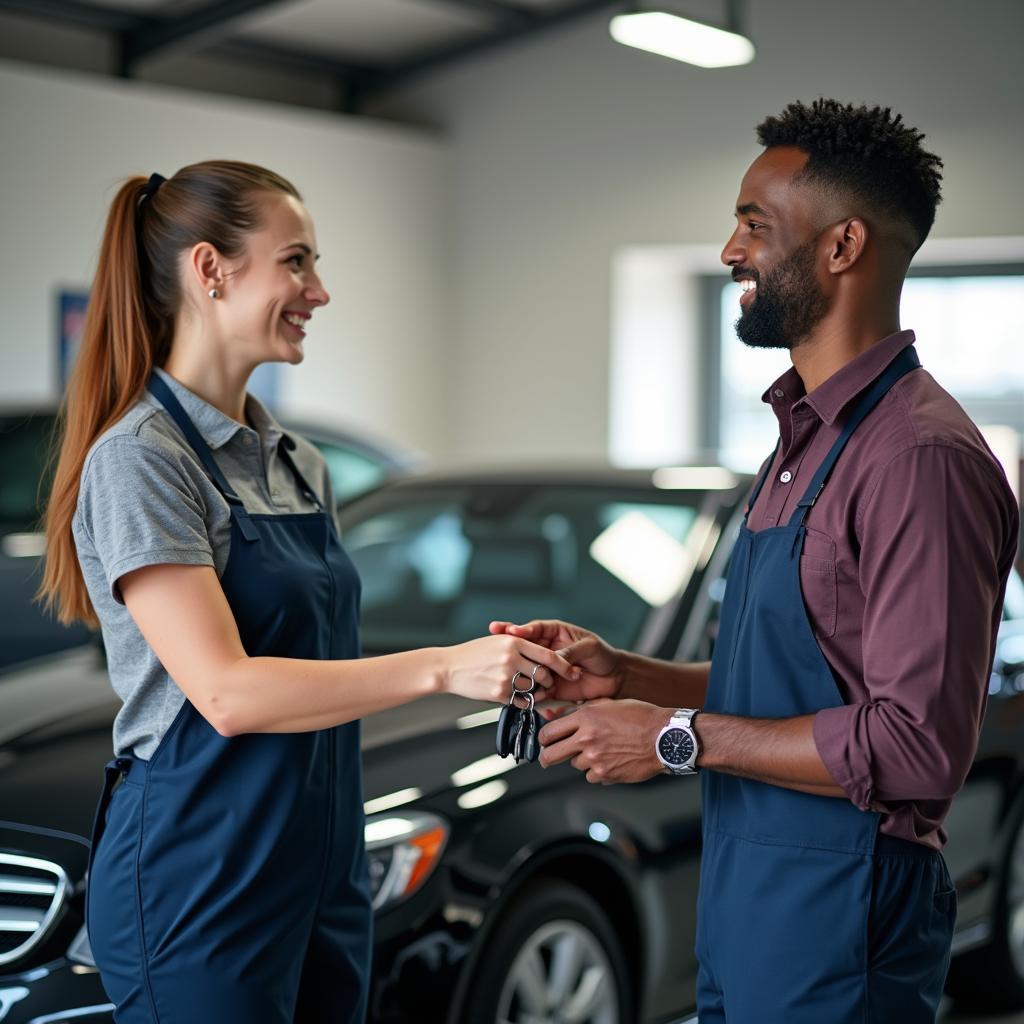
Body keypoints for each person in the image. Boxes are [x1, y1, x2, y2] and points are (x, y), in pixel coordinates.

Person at [492, 99, 1020, 1022]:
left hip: (845, 911)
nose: (731, 251)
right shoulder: (803, 440)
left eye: (753, 224)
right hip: (748, 896)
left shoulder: (917, 459)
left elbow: (915, 743)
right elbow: (790, 686)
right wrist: (633, 675)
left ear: (842, 246)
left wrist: (667, 737)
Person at [40, 160, 579, 1024]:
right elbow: (223, 691)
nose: (318, 292)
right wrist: (445, 668)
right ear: (210, 270)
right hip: (199, 871)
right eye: (296, 262)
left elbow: (317, 663)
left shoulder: (297, 462)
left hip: (320, 858)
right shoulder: (143, 458)